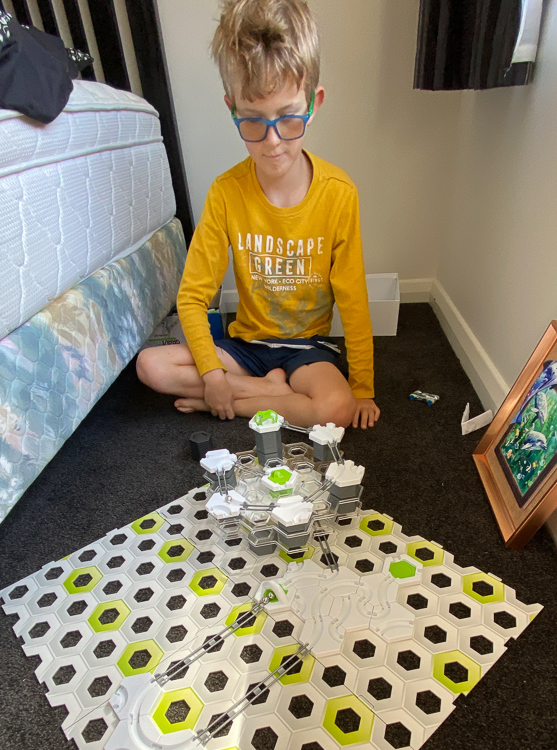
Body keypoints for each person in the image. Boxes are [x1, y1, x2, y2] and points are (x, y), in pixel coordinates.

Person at [137, 0, 380, 431]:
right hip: (247, 347)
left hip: (308, 350)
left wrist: (363, 387)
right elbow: (192, 297)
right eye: (252, 121)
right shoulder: (226, 192)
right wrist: (214, 375)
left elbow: (353, 299)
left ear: (313, 104)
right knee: (150, 366)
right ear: (231, 108)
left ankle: (239, 400)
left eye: (288, 118)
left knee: (338, 410)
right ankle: (271, 395)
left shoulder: (339, 193)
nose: (272, 142)